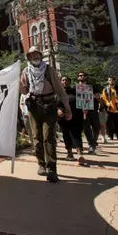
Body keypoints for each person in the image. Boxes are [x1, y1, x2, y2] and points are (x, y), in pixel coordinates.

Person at [20, 46, 72, 183]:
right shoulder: (26, 71)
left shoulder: (49, 70)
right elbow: (24, 91)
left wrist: (67, 109)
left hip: (49, 106)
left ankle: (52, 169)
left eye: (36, 54)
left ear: (40, 55)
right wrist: (18, 84)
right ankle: (41, 164)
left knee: (48, 137)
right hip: (34, 106)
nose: (34, 57)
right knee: (36, 137)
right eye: (31, 55)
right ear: (29, 57)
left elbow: (60, 91)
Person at [57, 76, 86, 166]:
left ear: (69, 82)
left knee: (76, 135)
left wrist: (85, 111)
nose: (65, 81)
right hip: (63, 118)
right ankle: (69, 153)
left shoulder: (76, 91)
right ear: (60, 82)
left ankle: (80, 154)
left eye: (66, 80)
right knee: (66, 135)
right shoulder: (57, 92)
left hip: (76, 117)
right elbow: (54, 103)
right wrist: (58, 110)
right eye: (63, 80)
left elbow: (84, 101)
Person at [101, 76, 118, 147]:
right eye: (109, 80)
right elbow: (104, 98)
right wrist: (107, 103)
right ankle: (114, 136)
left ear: (115, 81)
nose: (111, 82)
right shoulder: (105, 89)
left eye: (112, 80)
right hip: (111, 110)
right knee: (112, 125)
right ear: (108, 81)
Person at [79, 72, 100, 154]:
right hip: (82, 111)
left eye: (83, 75)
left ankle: (93, 142)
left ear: (86, 77)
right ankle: (91, 145)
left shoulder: (92, 86)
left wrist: (101, 105)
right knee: (86, 128)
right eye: (80, 76)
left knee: (97, 127)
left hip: (93, 110)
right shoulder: (76, 87)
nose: (81, 77)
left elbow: (98, 96)